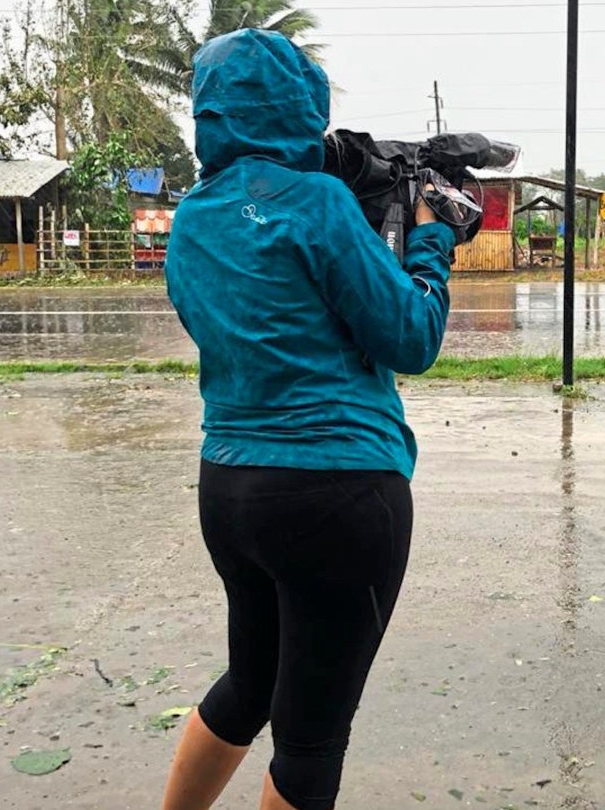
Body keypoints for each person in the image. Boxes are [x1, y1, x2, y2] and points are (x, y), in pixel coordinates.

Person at [158, 29, 456, 810]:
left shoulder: (190, 220)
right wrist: (429, 243)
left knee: (250, 680)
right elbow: (411, 336)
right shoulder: (319, 202)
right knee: (311, 736)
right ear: (301, 105)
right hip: (338, 489)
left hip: (227, 485)